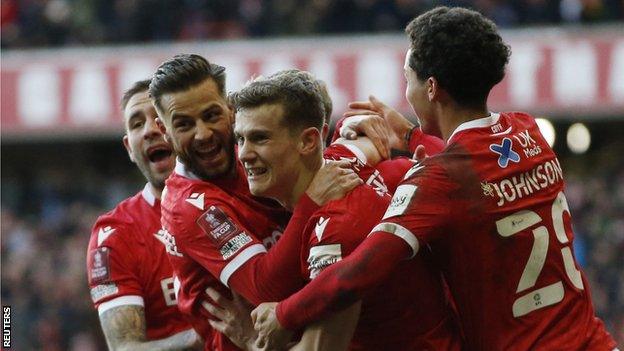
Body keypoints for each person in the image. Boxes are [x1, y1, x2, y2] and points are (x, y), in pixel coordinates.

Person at [252, 6, 618, 351]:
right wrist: (412, 137)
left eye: (408, 79)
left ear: (431, 88)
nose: (406, 93)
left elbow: (361, 271)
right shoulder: (526, 131)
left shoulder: (438, 180)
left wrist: (285, 313)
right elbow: (476, 166)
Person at [227, 72, 461, 350]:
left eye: (260, 138)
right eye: (240, 139)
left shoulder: (338, 227)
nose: (243, 154)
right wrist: (354, 124)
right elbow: (364, 142)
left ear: (308, 141)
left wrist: (250, 344)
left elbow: (319, 348)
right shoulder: (340, 159)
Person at [149, 54, 364, 351]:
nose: (203, 134)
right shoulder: (188, 207)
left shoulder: (249, 155)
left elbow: (313, 156)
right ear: (163, 130)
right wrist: (312, 201)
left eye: (211, 116)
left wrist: (356, 140)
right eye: (184, 124)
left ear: (229, 109)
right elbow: (266, 288)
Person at [86, 79, 201, 350]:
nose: (150, 130)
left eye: (159, 117)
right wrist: (205, 336)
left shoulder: (241, 195)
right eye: (137, 123)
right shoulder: (114, 235)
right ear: (129, 148)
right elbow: (124, 347)